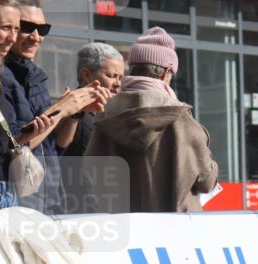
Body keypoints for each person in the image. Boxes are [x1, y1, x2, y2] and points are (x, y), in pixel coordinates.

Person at [3, 0, 111, 215]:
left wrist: (75, 113)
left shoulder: (37, 78)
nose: (36, 37)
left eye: (42, 29)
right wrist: (61, 109)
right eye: (27, 27)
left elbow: (55, 148)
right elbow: (13, 146)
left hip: (50, 202)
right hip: (16, 207)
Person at [86, 26, 218, 212]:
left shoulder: (105, 114)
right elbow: (206, 182)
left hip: (120, 230)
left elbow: (90, 174)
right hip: (170, 232)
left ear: (132, 69)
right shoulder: (181, 119)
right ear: (166, 73)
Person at [0, 0, 55, 210]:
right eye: (5, 28)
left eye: (16, 28)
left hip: (6, 194)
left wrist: (26, 135)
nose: (13, 37)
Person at [64, 42, 124, 159]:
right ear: (87, 75)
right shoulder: (70, 112)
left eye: (121, 78)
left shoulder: (114, 111)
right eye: (111, 76)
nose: (118, 84)